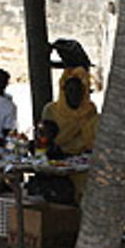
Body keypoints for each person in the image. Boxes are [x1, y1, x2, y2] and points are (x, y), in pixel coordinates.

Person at [34, 67, 99, 204]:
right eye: (70, 91)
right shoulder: (51, 110)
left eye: (79, 92)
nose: (74, 96)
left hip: (80, 161)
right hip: (56, 158)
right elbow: (44, 137)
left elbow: (90, 139)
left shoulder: (89, 110)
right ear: (63, 92)